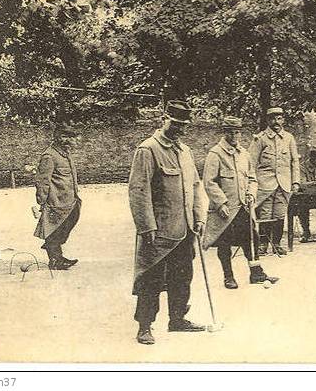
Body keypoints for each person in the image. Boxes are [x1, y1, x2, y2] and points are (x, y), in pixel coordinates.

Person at [128, 100, 208, 345]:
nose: (180, 130)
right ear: (164, 119)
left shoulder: (185, 152)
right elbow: (138, 190)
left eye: (184, 125)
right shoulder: (148, 149)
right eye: (175, 124)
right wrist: (146, 226)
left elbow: (195, 186)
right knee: (150, 278)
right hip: (159, 231)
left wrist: (200, 217)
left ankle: (178, 319)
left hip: (185, 229)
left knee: (183, 275)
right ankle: (144, 326)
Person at [202, 116, 278, 289]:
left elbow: (252, 178)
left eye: (238, 132)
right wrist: (221, 203)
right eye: (231, 132)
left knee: (252, 238)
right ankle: (228, 276)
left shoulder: (244, 154)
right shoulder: (215, 154)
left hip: (244, 207)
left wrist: (251, 193)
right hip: (226, 210)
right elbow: (209, 182)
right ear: (225, 133)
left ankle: (256, 274)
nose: (235, 135)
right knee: (225, 243)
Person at [250, 106, 299, 256]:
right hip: (265, 184)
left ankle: (276, 244)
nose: (276, 122)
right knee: (265, 215)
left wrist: (295, 182)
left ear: (283, 120)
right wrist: (252, 183)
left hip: (284, 184)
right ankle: (263, 244)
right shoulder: (260, 138)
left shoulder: (289, 138)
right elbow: (251, 162)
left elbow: (294, 161)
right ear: (267, 120)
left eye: (279, 118)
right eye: (272, 118)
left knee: (279, 214)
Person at [33, 122, 82, 270]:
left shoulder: (65, 154)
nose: (75, 141)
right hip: (56, 202)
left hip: (69, 200)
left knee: (67, 223)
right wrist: (41, 202)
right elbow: (42, 181)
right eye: (72, 138)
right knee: (53, 228)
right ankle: (55, 259)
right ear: (62, 138)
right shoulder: (49, 156)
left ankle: (56, 254)